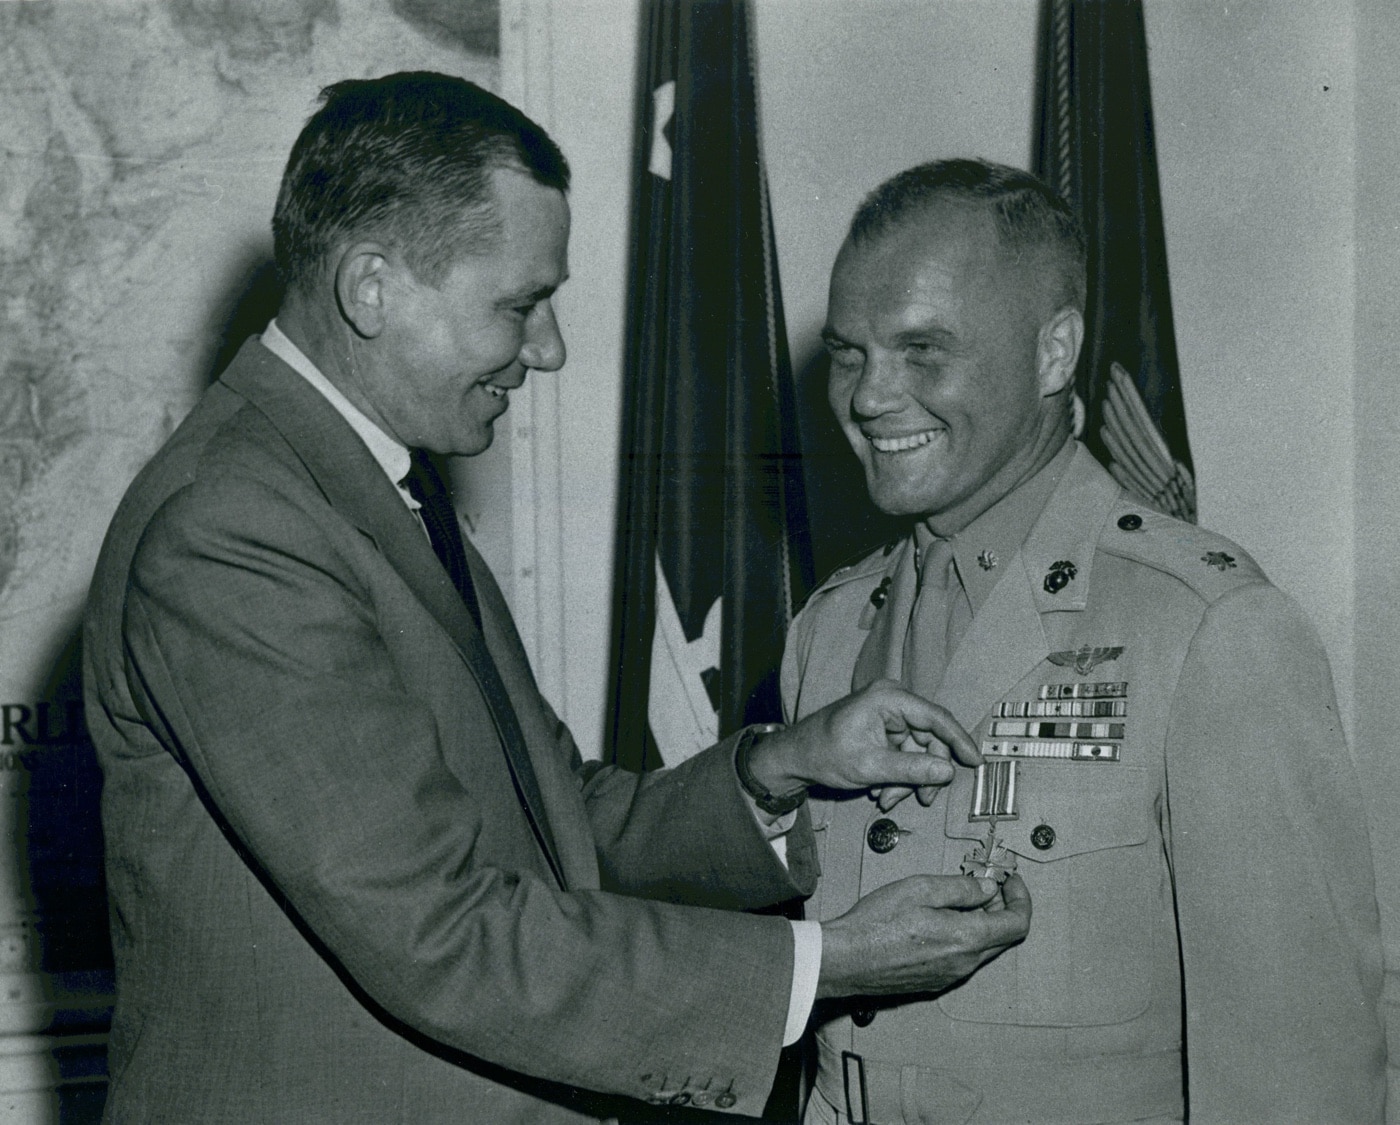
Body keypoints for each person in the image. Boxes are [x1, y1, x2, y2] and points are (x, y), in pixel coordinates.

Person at [82, 76, 1031, 1124]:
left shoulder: (365, 492)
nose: (547, 349)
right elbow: (441, 932)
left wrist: (778, 764)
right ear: (370, 288)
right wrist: (823, 965)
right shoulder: (235, 530)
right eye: (520, 304)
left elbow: (553, 822)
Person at [783, 158, 1385, 1124]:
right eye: (850, 353)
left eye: (924, 350)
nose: (868, 395)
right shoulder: (829, 627)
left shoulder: (1203, 628)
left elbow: (1296, 1074)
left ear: (1054, 351)